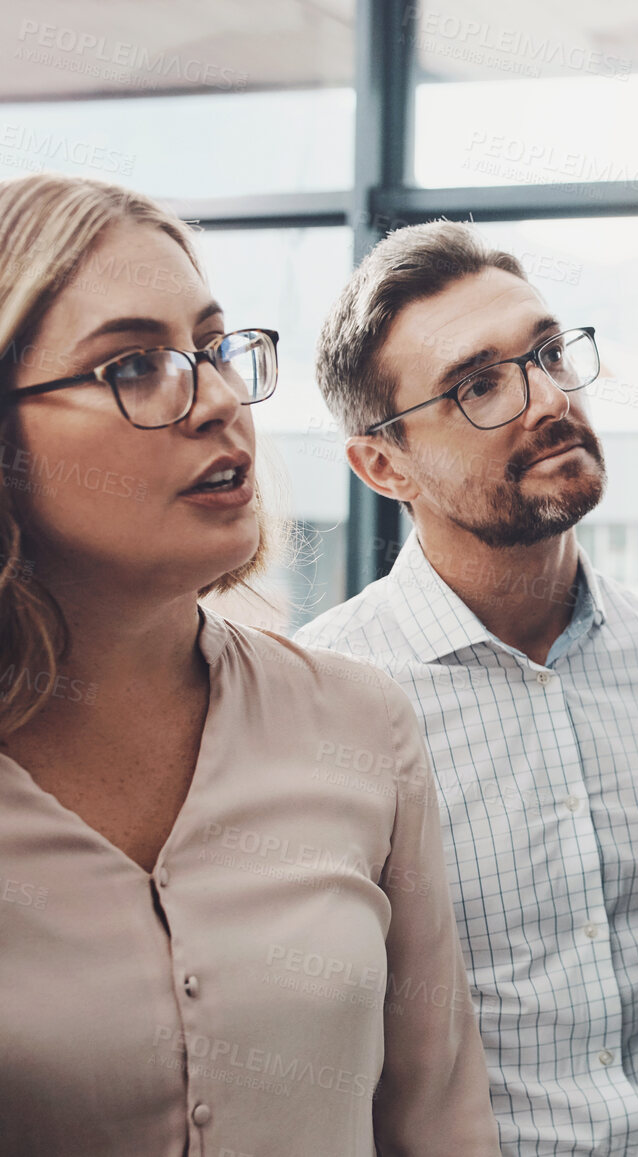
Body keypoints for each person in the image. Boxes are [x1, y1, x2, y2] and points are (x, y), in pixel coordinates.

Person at [0, 173, 499, 1156]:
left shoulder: (360, 724)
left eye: (215, 349)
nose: (221, 401)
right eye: (137, 365)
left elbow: (440, 1121)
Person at [294, 221, 638, 1155]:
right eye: (478, 384)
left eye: (547, 354)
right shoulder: (316, 706)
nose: (545, 397)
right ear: (384, 465)